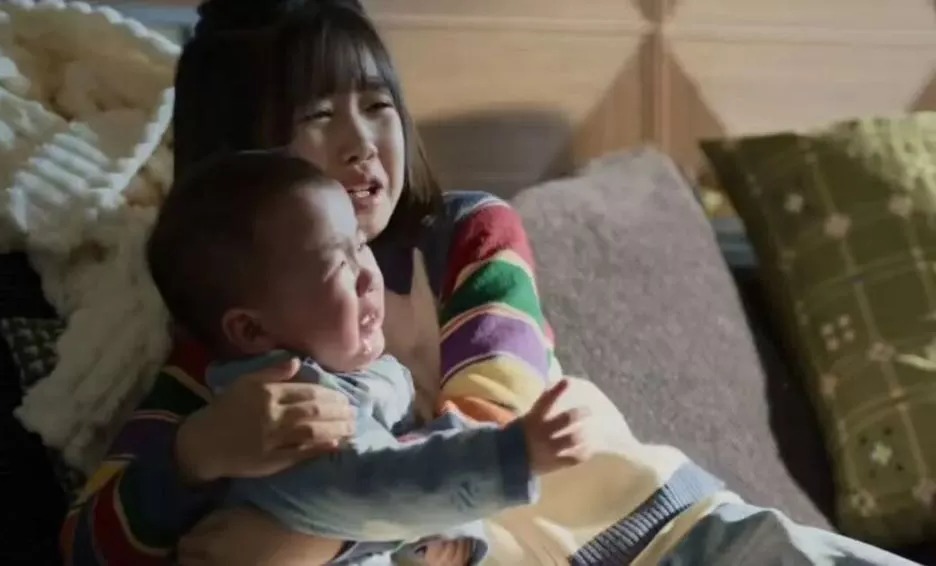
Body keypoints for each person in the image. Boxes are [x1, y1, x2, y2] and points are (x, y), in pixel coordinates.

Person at [61, 2, 923, 565]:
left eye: (378, 106)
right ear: (238, 163)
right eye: (317, 118)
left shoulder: (466, 236)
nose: (362, 145)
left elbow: (499, 410)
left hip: (637, 527)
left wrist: (303, 530)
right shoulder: (226, 364)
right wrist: (198, 454)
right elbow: (88, 545)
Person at [144, 150, 591, 565]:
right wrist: (515, 455)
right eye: (337, 266)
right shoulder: (285, 412)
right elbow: (378, 489)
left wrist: (449, 529)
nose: (367, 277)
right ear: (251, 330)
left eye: (359, 245)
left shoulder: (353, 368)